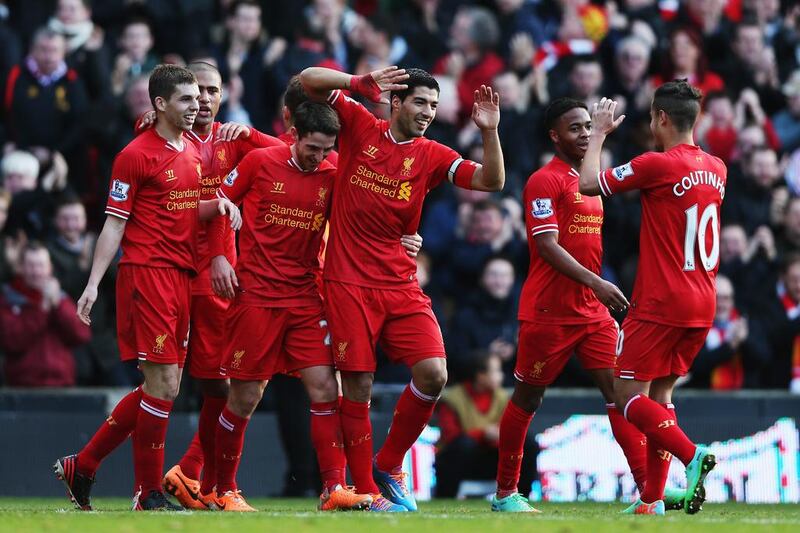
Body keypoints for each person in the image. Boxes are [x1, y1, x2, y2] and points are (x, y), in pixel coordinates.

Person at [300, 65, 505, 512]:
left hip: (400, 283)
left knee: (434, 373)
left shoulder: (431, 154)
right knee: (357, 384)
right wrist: (357, 82)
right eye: (419, 102)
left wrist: (490, 133)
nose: (428, 112)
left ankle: (389, 463)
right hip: (348, 281)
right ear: (395, 102)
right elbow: (307, 81)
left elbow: (491, 181)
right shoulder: (358, 125)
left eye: (433, 105)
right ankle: (366, 492)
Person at [53, 64, 242, 512]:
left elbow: (179, 207)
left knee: (166, 386)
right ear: (159, 104)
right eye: (186, 99)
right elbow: (115, 222)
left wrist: (216, 204)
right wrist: (94, 283)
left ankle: (85, 464)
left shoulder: (194, 152)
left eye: (199, 97)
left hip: (180, 275)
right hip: (146, 273)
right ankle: (148, 492)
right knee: (163, 382)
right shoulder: (134, 155)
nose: (196, 105)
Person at [492, 97, 674, 513]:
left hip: (592, 312)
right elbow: (546, 244)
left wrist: (595, 289)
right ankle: (505, 493)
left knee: (621, 392)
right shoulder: (544, 180)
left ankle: (649, 493)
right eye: (575, 128)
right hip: (548, 312)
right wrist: (597, 282)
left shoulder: (590, 182)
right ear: (555, 135)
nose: (584, 134)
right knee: (527, 398)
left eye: (588, 127)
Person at [202, 101, 376, 512]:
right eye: (312, 147)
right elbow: (214, 207)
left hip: (304, 297)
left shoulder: (334, 174)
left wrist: (404, 240)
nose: (319, 157)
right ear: (294, 134)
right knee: (245, 396)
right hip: (256, 296)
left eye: (327, 149)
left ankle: (334, 488)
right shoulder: (260, 162)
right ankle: (223, 490)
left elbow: (364, 221)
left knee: (323, 388)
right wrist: (219, 257)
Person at [578, 82, 727, 515]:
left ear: (661, 118)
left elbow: (589, 183)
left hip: (662, 301)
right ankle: (651, 500)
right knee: (660, 397)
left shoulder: (656, 164)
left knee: (627, 396)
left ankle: (692, 456)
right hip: (704, 300)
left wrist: (601, 133)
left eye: (649, 117)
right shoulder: (717, 167)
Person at [153, 61, 284, 510]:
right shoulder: (166, 141)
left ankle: (191, 475)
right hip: (181, 276)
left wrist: (247, 134)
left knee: (238, 383)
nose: (204, 99)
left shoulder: (235, 142)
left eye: (212, 91)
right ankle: (197, 480)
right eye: (196, 92)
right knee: (178, 384)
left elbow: (300, 157)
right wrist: (216, 257)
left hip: (226, 281)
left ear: (224, 96)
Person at [436, 352, 537, 498]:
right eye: (496, 371)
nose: (500, 376)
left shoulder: (502, 397)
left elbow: (511, 432)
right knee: (464, 445)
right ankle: (445, 497)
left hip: (494, 460)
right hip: (462, 462)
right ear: (480, 376)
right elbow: (451, 437)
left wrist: (496, 436)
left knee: (528, 442)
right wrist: (483, 434)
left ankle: (521, 496)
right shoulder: (452, 399)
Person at [0, 242, 90, 386]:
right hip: (22, 387)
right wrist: (42, 310)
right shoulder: (9, 298)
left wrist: (58, 306)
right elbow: (12, 341)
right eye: (31, 266)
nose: (36, 272)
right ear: (21, 268)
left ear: (50, 268)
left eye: (41, 265)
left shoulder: (61, 298)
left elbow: (81, 334)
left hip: (62, 384)